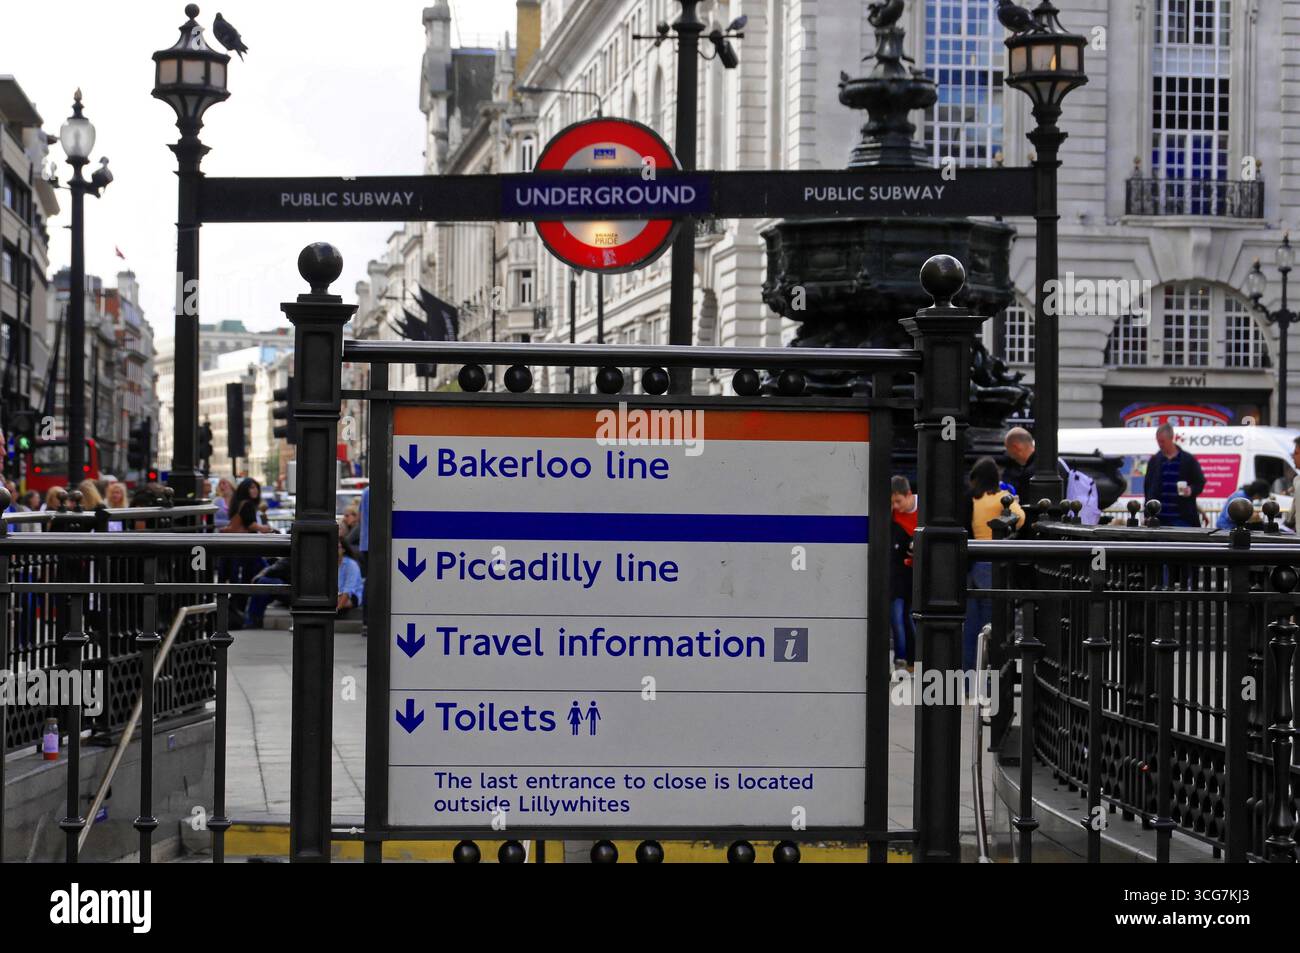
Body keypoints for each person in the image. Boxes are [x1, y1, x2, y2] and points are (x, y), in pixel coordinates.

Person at [964, 457, 1025, 671]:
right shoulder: (1001, 498)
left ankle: (967, 679)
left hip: (971, 562)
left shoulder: (971, 498)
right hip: (992, 564)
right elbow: (1020, 517)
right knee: (992, 624)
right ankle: (990, 681)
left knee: (970, 627)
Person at [1143, 423, 1206, 527]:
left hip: (1182, 519)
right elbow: (1147, 488)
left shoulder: (1188, 460)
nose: (1160, 445)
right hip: (1158, 519)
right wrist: (1147, 513)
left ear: (1171, 438)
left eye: (1162, 441)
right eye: (1158, 441)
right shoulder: (1154, 461)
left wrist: (1191, 490)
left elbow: (1200, 482)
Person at [889, 475, 918, 670]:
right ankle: (901, 658)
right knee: (897, 615)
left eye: (898, 501)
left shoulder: (925, 509)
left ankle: (912, 658)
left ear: (909, 495)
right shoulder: (891, 514)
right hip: (897, 571)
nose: (896, 506)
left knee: (909, 615)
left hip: (916, 573)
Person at [1002, 427, 1070, 503]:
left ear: (1016, 447)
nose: (1010, 455)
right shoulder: (1057, 463)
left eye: (1008, 449)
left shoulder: (1030, 473)